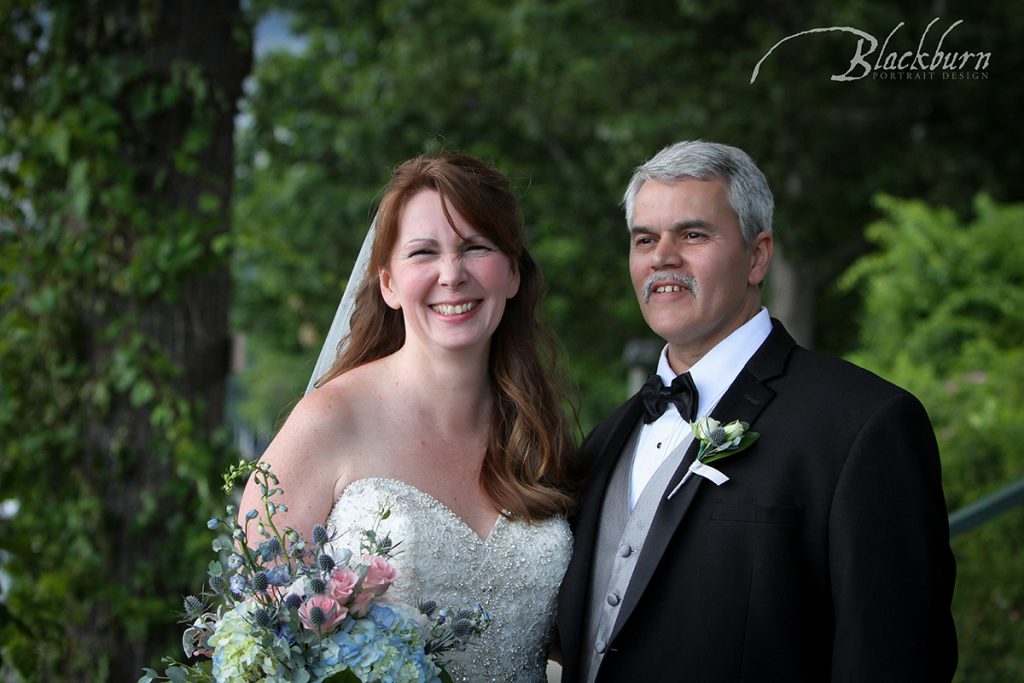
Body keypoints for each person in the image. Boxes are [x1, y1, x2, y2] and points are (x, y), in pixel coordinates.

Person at [556, 140, 957, 682]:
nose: (662, 257)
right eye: (644, 239)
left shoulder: (864, 425)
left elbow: (896, 657)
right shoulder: (604, 441)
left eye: (693, 234)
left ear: (758, 255)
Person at [239, 153, 576, 682]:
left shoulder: (537, 432)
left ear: (512, 272)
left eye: (476, 248)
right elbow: (260, 649)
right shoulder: (328, 421)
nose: (452, 274)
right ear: (389, 284)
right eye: (424, 252)